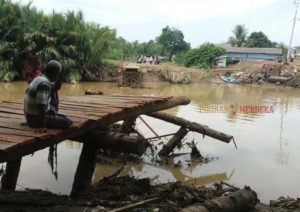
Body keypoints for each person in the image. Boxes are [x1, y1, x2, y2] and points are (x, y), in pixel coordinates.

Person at [24, 60, 73, 130]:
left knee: (54, 91)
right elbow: (41, 107)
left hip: (30, 116)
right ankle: (44, 121)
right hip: (35, 119)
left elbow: (56, 87)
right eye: (58, 74)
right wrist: (42, 126)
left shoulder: (40, 78)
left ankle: (50, 116)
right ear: (55, 74)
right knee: (68, 122)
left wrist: (61, 74)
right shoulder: (44, 84)